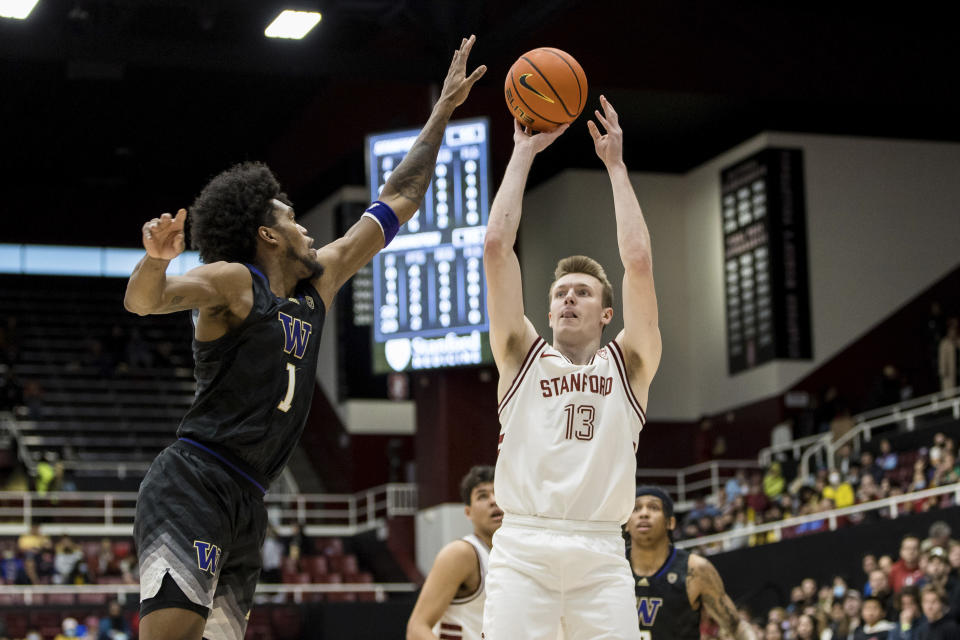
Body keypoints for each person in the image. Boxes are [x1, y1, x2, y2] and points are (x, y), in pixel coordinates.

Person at [123, 36, 485, 640]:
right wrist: (157, 261)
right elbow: (146, 301)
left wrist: (442, 111)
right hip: (196, 479)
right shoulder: (236, 284)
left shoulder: (322, 284)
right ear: (266, 234)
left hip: (249, 498)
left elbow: (402, 195)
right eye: (291, 216)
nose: (307, 227)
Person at [481, 96, 661, 639]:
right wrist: (521, 152)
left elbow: (638, 263)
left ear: (607, 313)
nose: (567, 299)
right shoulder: (520, 353)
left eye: (582, 293)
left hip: (602, 551)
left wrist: (616, 168)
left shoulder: (629, 362)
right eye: (560, 292)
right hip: (523, 548)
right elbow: (495, 247)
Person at [626, 488, 756, 640]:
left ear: (670, 522)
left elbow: (735, 625)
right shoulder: (611, 566)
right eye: (636, 508)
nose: (644, 513)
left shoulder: (695, 569)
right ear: (626, 523)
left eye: (653, 507)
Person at [406, 466, 502, 640]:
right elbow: (416, 629)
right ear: (468, 512)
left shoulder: (514, 555)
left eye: (498, 493)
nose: (493, 500)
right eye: (482, 496)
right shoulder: (461, 553)